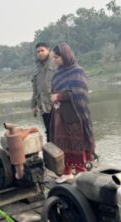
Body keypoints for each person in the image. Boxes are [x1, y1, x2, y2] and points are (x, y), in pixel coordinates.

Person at [49, 42, 95, 183]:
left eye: (57, 57)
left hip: (75, 115)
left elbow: (80, 92)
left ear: (66, 56)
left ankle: (81, 172)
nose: (55, 60)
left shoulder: (77, 71)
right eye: (54, 57)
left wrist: (60, 96)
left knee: (76, 143)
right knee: (62, 143)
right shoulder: (57, 73)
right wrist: (54, 98)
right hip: (60, 115)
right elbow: (54, 90)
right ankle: (66, 172)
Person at [31, 42, 56, 142]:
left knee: (58, 133)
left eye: (42, 50)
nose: (40, 53)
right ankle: (51, 156)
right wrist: (33, 106)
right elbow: (35, 89)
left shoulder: (55, 62)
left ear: (48, 50)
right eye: (38, 52)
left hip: (55, 105)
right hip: (44, 107)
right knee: (49, 133)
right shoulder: (37, 68)